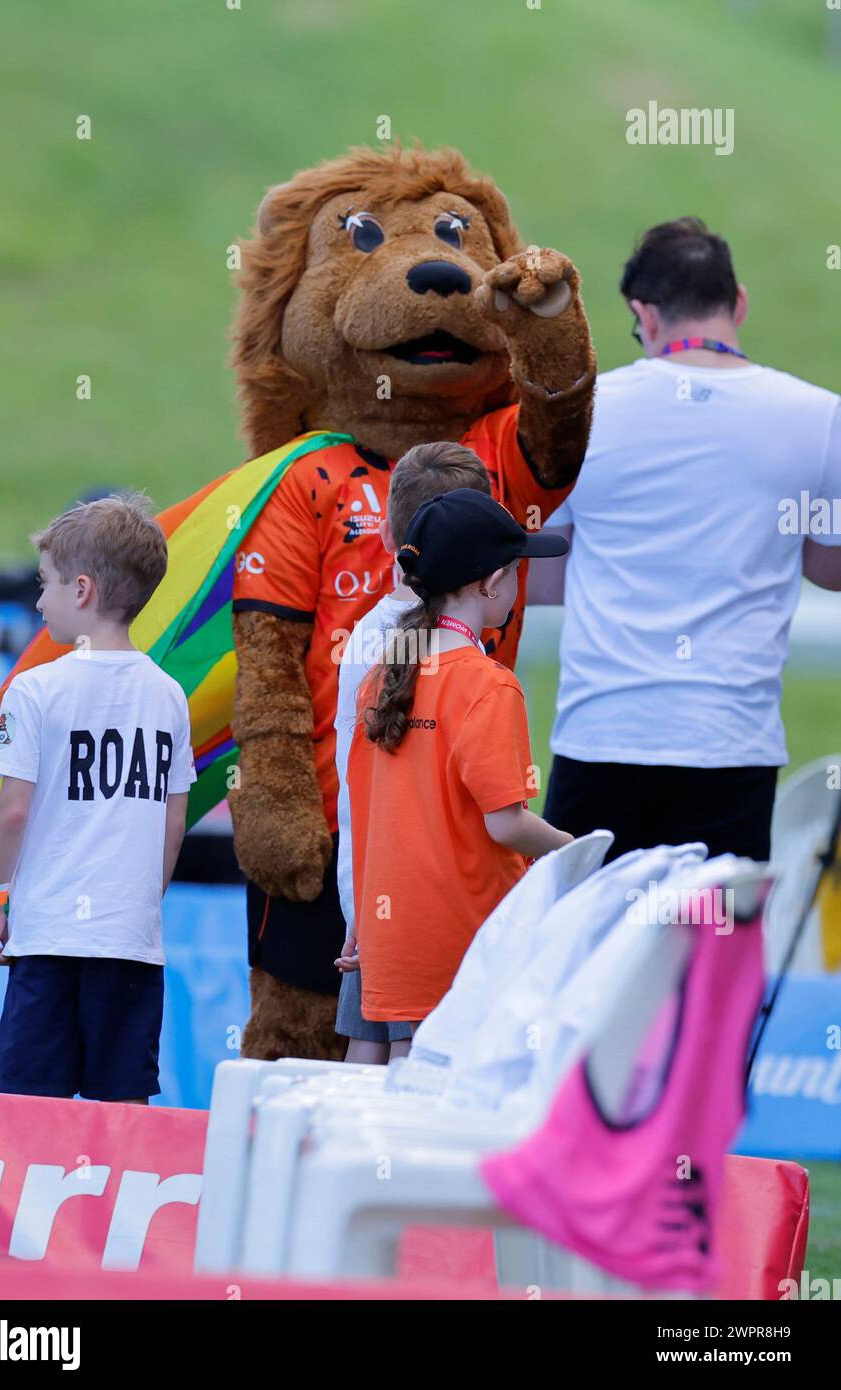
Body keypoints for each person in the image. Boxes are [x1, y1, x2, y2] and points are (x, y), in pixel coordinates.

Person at [529, 217, 841, 862]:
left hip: (600, 736)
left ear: (643, 313)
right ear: (739, 302)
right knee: (714, 958)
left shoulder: (583, 410)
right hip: (731, 745)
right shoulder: (818, 415)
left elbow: (541, 573)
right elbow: (829, 568)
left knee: (579, 952)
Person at [0, 493, 195, 1103]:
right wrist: (139, 901)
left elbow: (14, 811)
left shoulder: (36, 688)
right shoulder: (168, 696)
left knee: (25, 1111)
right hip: (129, 940)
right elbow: (172, 824)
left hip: (47, 938)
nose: (39, 600)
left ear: (81, 590)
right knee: (120, 1113)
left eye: (45, 584)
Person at [345, 488, 573, 1030]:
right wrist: (575, 848)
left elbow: (366, 811)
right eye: (517, 570)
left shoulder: (380, 676)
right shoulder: (489, 686)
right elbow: (505, 823)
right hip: (465, 945)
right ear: (491, 582)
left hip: (390, 943)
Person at [333, 441, 494, 1063]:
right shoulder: (452, 655)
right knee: (413, 1072)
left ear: (388, 540)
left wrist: (357, 902)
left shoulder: (367, 639)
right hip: (429, 912)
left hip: (370, 895)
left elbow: (357, 791)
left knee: (366, 1064)